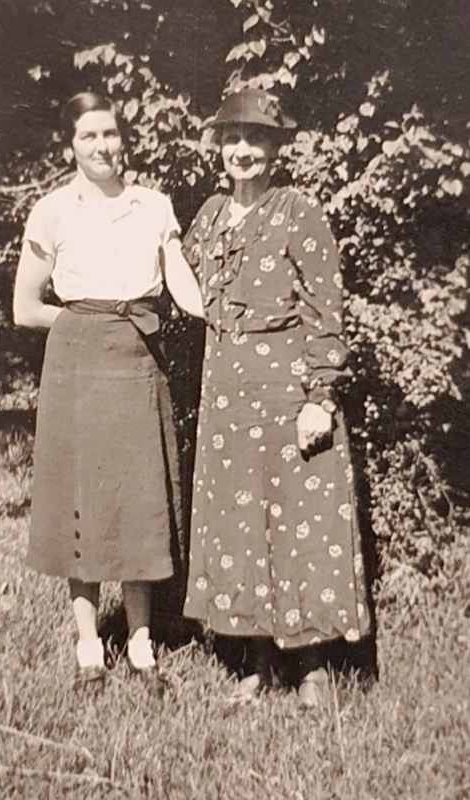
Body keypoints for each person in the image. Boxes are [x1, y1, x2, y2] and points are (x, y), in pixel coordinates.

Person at [182, 88, 371, 706]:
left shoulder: (298, 211)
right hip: (225, 398)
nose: (243, 151)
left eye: (256, 140)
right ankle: (258, 665)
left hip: (287, 392)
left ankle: (312, 668)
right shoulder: (209, 216)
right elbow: (182, 284)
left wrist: (320, 395)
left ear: (275, 148)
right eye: (233, 139)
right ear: (219, 147)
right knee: (239, 527)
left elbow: (325, 308)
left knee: (299, 522)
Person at [13, 90, 204, 683]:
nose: (102, 146)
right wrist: (83, 325)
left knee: (140, 497)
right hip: (76, 364)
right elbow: (25, 307)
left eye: (111, 133)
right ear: (69, 145)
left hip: (139, 358)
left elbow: (180, 279)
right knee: (83, 497)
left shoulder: (153, 205)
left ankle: (141, 642)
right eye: (89, 135)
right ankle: (89, 644)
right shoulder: (52, 211)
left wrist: (218, 316)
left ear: (125, 139)